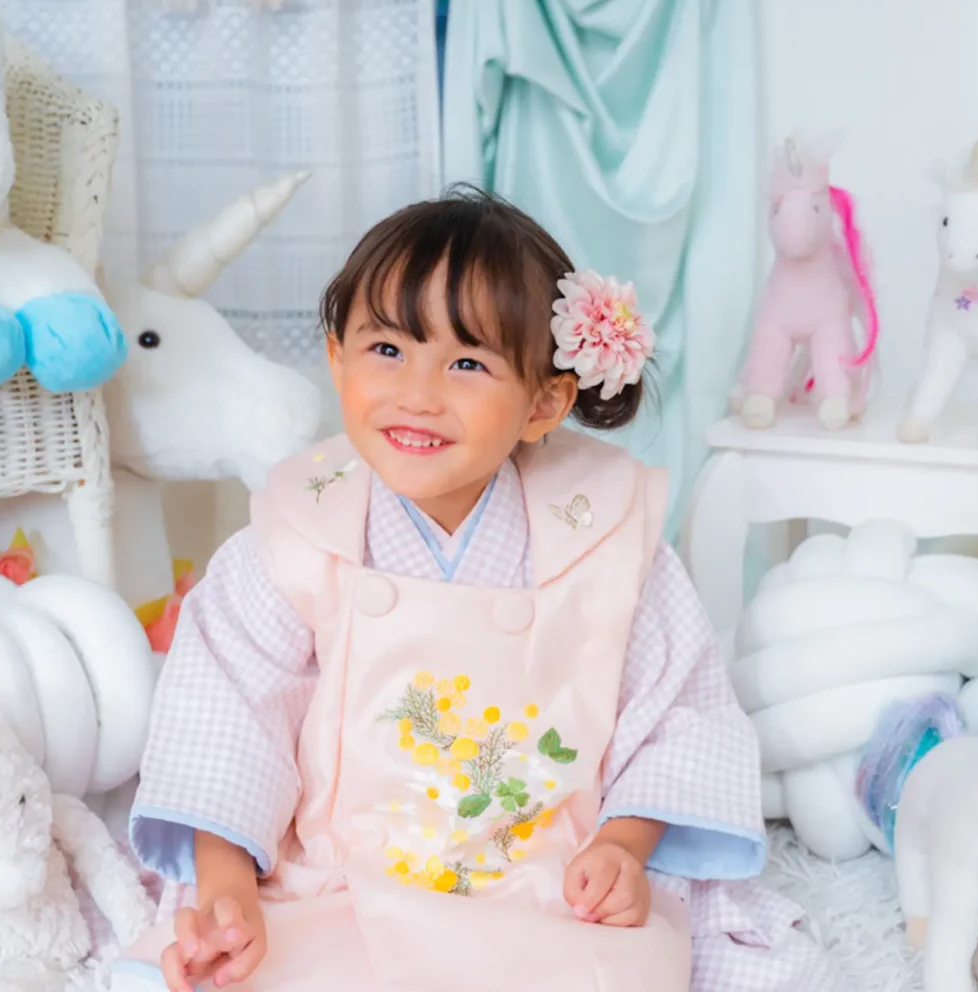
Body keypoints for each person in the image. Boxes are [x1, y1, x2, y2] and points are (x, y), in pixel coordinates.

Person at [111, 187, 844, 991]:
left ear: (544, 401)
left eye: (467, 363)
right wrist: (227, 889)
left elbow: (676, 712)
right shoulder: (297, 531)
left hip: (542, 882)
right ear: (337, 357)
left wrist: (621, 848)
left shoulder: (601, 535)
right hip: (345, 879)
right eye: (386, 349)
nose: (418, 393)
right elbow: (229, 714)